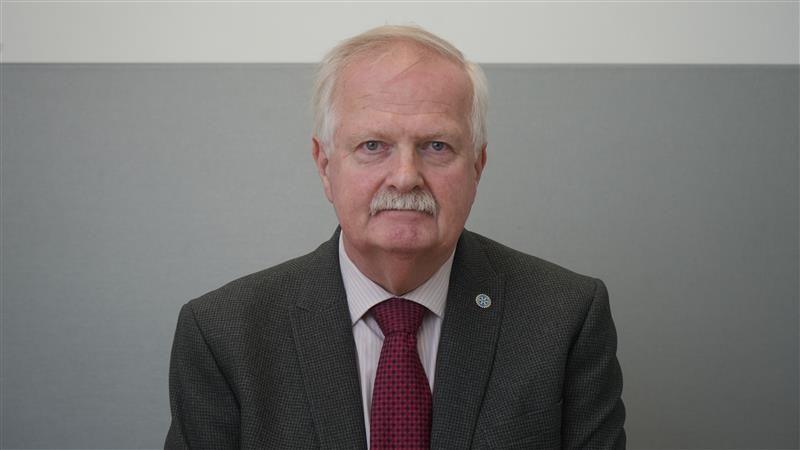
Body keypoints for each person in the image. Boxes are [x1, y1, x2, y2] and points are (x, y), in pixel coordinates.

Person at [165, 25, 625, 449]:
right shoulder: (225, 334)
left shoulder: (564, 319)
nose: (405, 178)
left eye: (436, 146)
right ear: (325, 166)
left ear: (477, 168)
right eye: (373, 146)